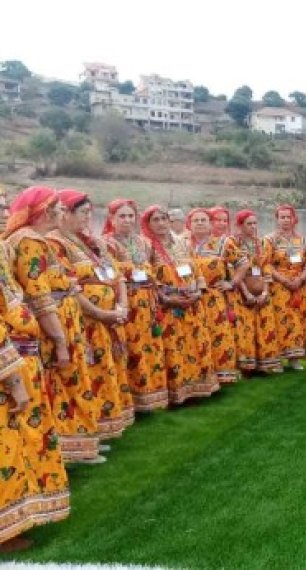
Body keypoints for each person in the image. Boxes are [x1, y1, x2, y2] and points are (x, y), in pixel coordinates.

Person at [5, 187, 102, 462]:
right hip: (54, 323)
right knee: (66, 382)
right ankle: (72, 447)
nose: (60, 213)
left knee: (66, 383)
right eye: (57, 208)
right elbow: (38, 294)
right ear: (44, 211)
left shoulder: (35, 240)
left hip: (61, 319)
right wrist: (60, 340)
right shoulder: (30, 242)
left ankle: (75, 444)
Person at [0, 187, 69, 553]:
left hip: (19, 352)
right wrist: (12, 377)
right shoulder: (26, 242)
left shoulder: (3, 248)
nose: (2, 214)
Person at [50, 189, 133, 440]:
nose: (88, 218)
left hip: (105, 321)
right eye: (84, 213)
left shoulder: (89, 242)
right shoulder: (56, 243)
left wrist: (122, 305)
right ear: (65, 213)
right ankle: (84, 434)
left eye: (90, 213)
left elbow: (115, 275)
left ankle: (103, 427)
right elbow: (68, 286)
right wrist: (99, 312)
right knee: (86, 377)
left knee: (103, 374)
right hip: (85, 322)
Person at [141, 205, 216, 403]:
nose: (161, 223)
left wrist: (199, 291)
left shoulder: (182, 242)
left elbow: (197, 269)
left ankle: (197, 387)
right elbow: (148, 278)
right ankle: (176, 393)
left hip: (192, 302)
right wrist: (166, 298)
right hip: (168, 306)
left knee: (196, 343)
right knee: (174, 347)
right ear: (148, 224)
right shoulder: (146, 246)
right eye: (155, 220)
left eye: (164, 219)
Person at [103, 199, 169, 412]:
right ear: (112, 219)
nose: (127, 220)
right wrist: (132, 270)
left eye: (131, 216)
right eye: (122, 216)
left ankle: (151, 397)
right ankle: (131, 400)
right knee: (130, 347)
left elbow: (157, 267)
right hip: (126, 301)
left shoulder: (144, 242)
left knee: (149, 345)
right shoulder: (105, 243)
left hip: (147, 302)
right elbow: (110, 273)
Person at [187, 207, 242, 383]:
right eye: (196, 220)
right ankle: (199, 374)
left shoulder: (223, 243)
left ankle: (222, 374)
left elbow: (243, 263)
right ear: (189, 224)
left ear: (210, 223)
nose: (200, 223)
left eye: (204, 220)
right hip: (190, 299)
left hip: (213, 296)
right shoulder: (181, 244)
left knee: (217, 333)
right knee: (194, 336)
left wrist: (231, 283)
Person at [227, 210, 282, 374]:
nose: (253, 227)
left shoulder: (261, 243)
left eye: (255, 223)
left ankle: (264, 364)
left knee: (264, 327)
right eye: (248, 224)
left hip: (261, 288)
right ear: (240, 225)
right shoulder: (232, 242)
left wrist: (265, 292)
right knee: (246, 329)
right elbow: (235, 270)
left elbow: (266, 267)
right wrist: (247, 293)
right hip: (243, 291)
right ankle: (247, 366)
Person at [264, 205, 306, 370]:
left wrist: (300, 279)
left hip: (299, 286)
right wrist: (283, 280)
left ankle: (295, 359)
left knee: (298, 320)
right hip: (279, 286)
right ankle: (279, 358)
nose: (285, 220)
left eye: (288, 217)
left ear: (293, 219)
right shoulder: (269, 240)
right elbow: (266, 264)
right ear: (277, 219)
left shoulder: (302, 240)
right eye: (282, 217)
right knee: (281, 321)